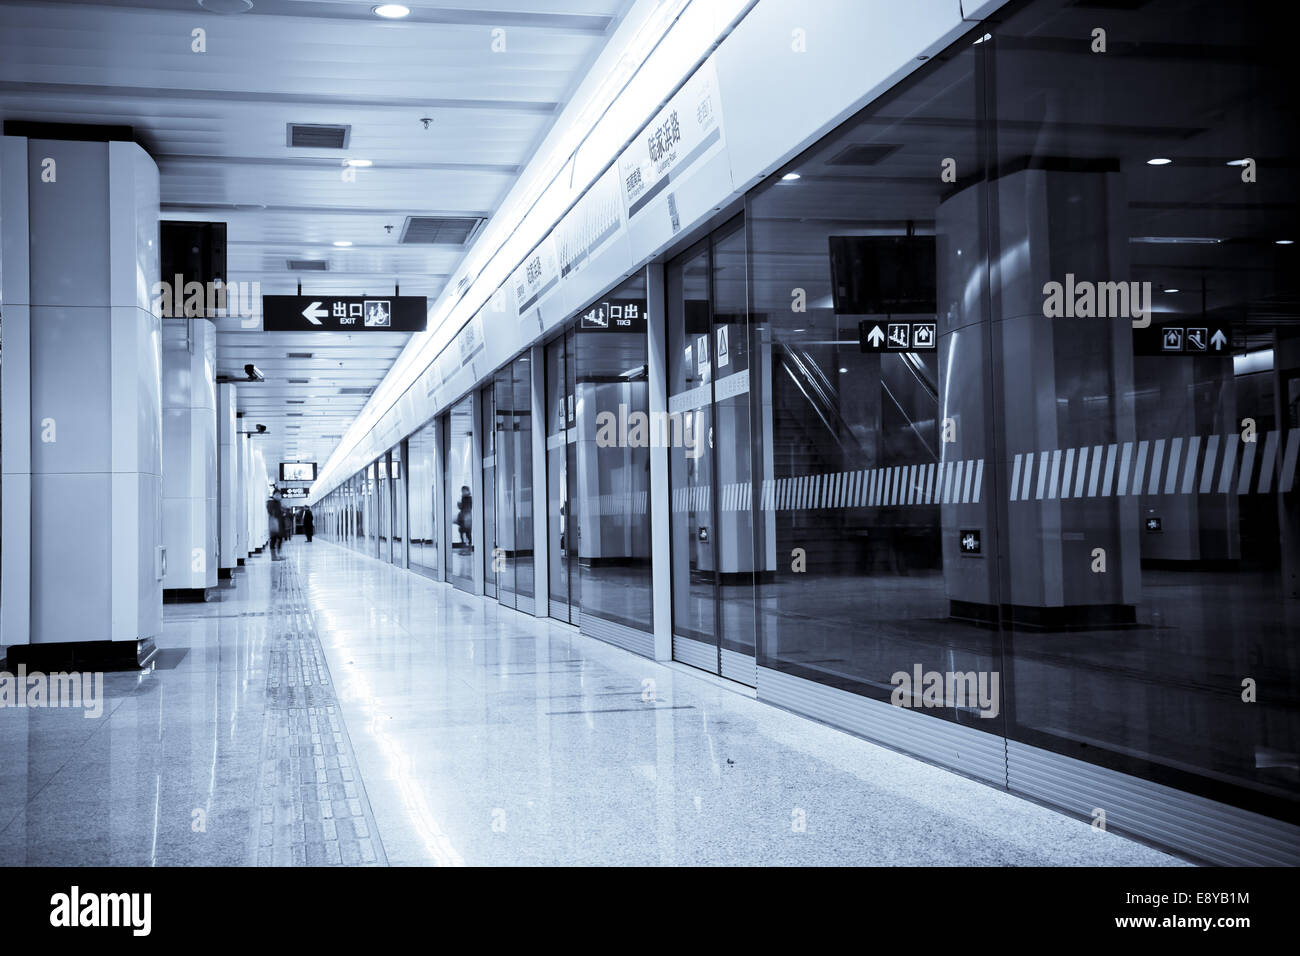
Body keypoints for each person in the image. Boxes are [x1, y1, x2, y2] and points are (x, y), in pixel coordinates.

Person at [266, 489, 284, 560]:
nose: (278, 496)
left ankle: (278, 555)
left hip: (279, 524)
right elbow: (271, 512)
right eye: (276, 494)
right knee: (273, 539)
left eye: (279, 494)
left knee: (280, 539)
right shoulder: (270, 503)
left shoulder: (279, 503)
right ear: (273, 495)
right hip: (274, 524)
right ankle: (273, 557)